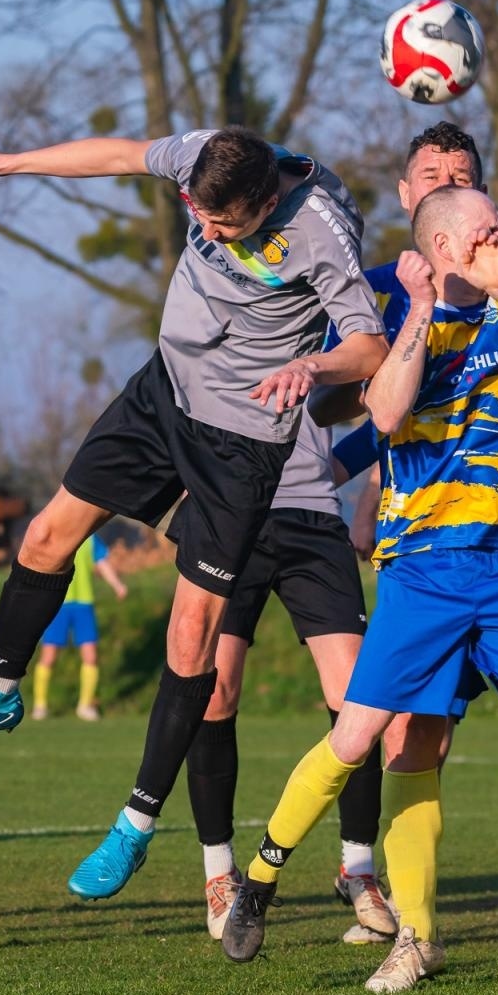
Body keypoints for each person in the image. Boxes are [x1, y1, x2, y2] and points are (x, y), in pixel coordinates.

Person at [0, 126, 389, 904]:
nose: (206, 229)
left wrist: (311, 362)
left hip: (241, 442)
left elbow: (368, 345)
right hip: (163, 394)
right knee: (46, 534)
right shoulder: (207, 154)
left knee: (192, 635)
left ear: (266, 203)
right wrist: (3, 162)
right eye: (198, 212)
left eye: (224, 224)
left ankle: (136, 823)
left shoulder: (325, 226)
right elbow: (122, 153)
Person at [220, 186, 498, 992]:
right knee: (359, 736)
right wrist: (423, 307)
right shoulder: (396, 310)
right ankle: (261, 875)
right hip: (425, 567)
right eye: (485, 233)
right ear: (444, 244)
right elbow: (385, 414)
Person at [181, 403, 384, 944]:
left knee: (358, 700)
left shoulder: (341, 320)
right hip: (229, 514)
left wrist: (328, 470)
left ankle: (359, 870)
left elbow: (387, 408)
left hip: (314, 520)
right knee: (214, 691)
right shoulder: (208, 320)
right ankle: (220, 874)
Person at [32, 533, 127, 722]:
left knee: (91, 656)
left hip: (84, 605)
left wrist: (117, 585)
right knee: (49, 656)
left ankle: (85, 706)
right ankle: (40, 706)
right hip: (57, 604)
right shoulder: (57, 533)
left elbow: (101, 562)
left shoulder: (91, 539)